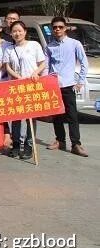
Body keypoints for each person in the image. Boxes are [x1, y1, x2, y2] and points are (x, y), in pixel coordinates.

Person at [46, 17, 89, 157]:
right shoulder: (49, 46)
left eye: (60, 27)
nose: (57, 29)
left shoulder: (74, 44)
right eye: (55, 27)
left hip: (69, 85)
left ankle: (76, 144)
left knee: (72, 116)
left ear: (65, 28)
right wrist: (45, 83)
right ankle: (60, 140)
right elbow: (46, 66)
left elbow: (84, 62)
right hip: (53, 85)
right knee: (57, 115)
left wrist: (80, 81)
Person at [3, 20, 46, 160]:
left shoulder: (34, 45)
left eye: (19, 31)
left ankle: (29, 145)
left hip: (32, 85)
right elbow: (7, 67)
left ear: (25, 31)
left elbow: (42, 63)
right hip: (16, 86)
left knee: (31, 117)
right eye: (14, 31)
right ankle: (16, 144)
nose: (17, 33)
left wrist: (35, 73)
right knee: (16, 117)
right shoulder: (9, 49)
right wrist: (17, 77)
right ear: (11, 33)